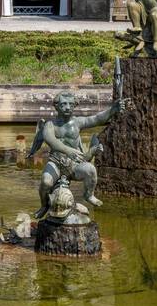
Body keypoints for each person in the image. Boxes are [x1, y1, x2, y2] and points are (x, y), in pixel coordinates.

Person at [34, 91, 121, 219]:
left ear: (75, 106)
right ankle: (44, 205)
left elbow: (97, 119)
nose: (67, 107)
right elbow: (50, 140)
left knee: (90, 170)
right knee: (46, 182)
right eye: (63, 104)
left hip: (74, 165)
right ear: (57, 106)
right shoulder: (50, 125)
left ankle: (88, 195)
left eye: (70, 104)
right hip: (56, 163)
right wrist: (68, 150)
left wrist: (113, 109)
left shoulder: (78, 122)